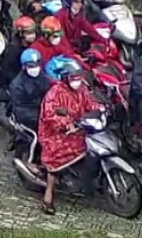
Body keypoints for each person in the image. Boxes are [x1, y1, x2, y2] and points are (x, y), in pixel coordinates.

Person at [37, 60, 103, 214]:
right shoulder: (55, 93)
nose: (77, 81)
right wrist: (66, 124)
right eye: (74, 78)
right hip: (54, 131)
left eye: (79, 77)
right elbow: (50, 114)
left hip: (78, 127)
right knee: (57, 156)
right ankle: (48, 196)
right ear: (66, 78)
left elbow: (90, 104)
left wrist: (100, 108)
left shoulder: (82, 89)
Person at [8, 48, 53, 172]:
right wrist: (42, 116)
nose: (35, 68)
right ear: (24, 67)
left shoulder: (43, 77)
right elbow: (20, 109)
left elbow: (51, 92)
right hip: (29, 117)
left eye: (37, 65)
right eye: (31, 66)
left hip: (44, 112)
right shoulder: (17, 85)